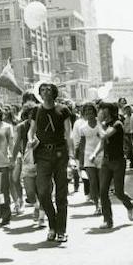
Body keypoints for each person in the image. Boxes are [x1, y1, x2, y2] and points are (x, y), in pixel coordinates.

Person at [27, 83, 75, 243]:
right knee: (42, 192)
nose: (45, 91)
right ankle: (52, 224)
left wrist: (72, 156)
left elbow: (69, 133)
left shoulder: (63, 110)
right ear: (39, 94)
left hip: (60, 152)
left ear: (54, 93)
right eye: (42, 89)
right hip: (42, 154)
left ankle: (61, 230)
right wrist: (30, 140)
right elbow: (31, 130)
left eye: (48, 89)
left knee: (61, 194)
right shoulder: (36, 110)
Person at [90, 102, 133, 229]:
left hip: (118, 162)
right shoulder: (104, 125)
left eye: (102, 110)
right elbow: (102, 142)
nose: (100, 112)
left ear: (109, 111)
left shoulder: (117, 124)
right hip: (106, 162)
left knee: (119, 192)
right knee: (103, 191)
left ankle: (129, 204)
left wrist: (98, 122)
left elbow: (105, 135)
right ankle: (108, 220)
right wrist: (94, 153)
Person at [11, 102, 44, 225]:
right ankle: (36, 205)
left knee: (43, 190)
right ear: (26, 114)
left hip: (42, 161)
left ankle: (41, 215)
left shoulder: (44, 126)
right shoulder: (22, 127)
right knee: (30, 192)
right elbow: (16, 144)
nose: (33, 116)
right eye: (30, 114)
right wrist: (13, 159)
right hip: (27, 161)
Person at [75, 102, 104, 215]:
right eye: (86, 111)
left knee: (102, 182)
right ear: (83, 113)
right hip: (88, 156)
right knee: (93, 182)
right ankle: (97, 206)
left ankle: (103, 202)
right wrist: (81, 161)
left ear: (94, 112)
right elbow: (82, 144)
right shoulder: (82, 128)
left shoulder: (101, 124)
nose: (88, 113)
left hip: (101, 154)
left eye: (90, 111)